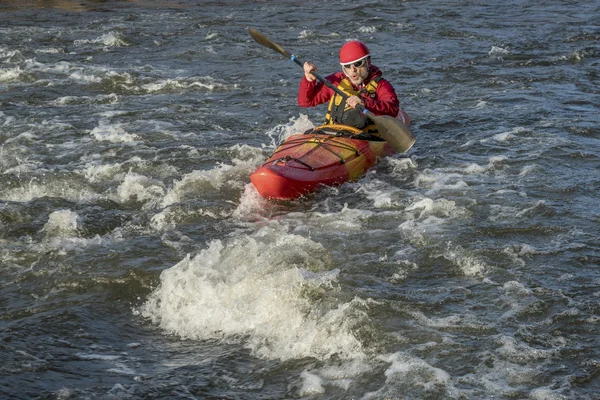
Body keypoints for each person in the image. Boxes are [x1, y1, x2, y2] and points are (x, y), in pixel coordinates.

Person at [298, 40, 410, 132]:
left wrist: (365, 103)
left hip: (365, 136)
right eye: (348, 66)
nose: (353, 70)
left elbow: (393, 109)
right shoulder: (335, 81)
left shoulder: (381, 85)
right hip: (334, 132)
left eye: (357, 64)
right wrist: (308, 79)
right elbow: (305, 102)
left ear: (368, 62)